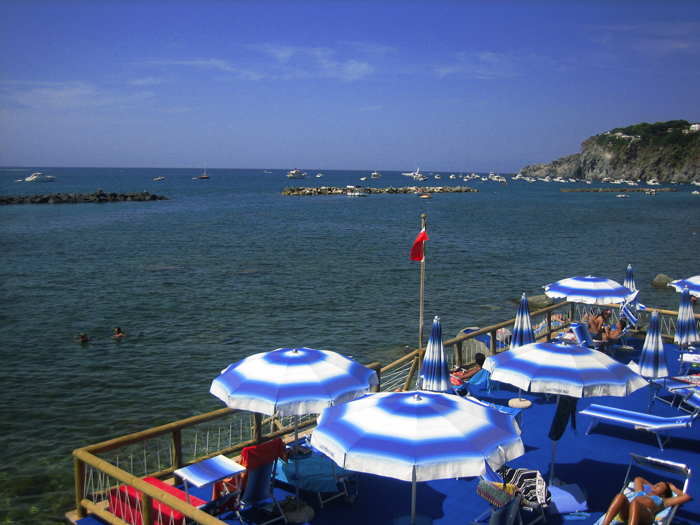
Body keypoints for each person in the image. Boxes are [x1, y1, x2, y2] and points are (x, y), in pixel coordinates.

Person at [601, 476, 690, 525]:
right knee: (620, 496)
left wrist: (673, 489)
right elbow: (638, 479)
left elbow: (686, 497)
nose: (657, 485)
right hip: (629, 513)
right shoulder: (641, 492)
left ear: (663, 494)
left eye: (660, 486)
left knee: (635, 503)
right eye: (657, 483)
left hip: (645, 518)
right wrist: (653, 487)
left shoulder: (663, 500)